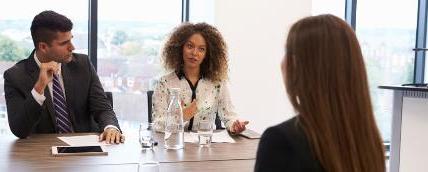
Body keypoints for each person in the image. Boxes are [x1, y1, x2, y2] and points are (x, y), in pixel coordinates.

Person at [255, 15, 386, 172]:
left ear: (298, 65)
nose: (282, 63)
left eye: (287, 52)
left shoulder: (280, 142)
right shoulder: (369, 141)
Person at [4, 10, 124, 144]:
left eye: (71, 40)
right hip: (43, 156)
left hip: (86, 153)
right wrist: (39, 87)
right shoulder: (15, 77)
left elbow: (102, 108)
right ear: (43, 47)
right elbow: (19, 130)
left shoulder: (82, 65)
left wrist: (110, 127)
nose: (72, 47)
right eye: (64, 43)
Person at [152, 22, 248, 134]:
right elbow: (157, 124)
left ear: (207, 54)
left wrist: (234, 126)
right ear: (180, 48)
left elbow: (229, 116)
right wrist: (182, 117)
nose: (194, 53)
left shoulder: (217, 83)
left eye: (201, 49)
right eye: (190, 46)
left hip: (206, 146)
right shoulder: (165, 83)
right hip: (174, 146)